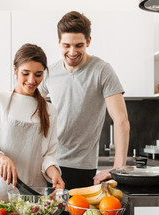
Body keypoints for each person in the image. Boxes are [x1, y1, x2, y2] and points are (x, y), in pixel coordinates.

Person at [39, 11, 130, 189]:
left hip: (82, 166)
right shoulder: (49, 73)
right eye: (66, 45)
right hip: (49, 163)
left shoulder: (102, 70)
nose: (72, 52)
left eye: (79, 45)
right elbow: (30, 110)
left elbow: (121, 120)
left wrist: (117, 169)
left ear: (88, 41)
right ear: (59, 43)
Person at [0, 43, 65, 202]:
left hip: (32, 199)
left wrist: (55, 174)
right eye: (26, 73)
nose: (32, 80)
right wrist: (2, 158)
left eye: (38, 74)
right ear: (15, 69)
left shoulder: (49, 110)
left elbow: (48, 156)